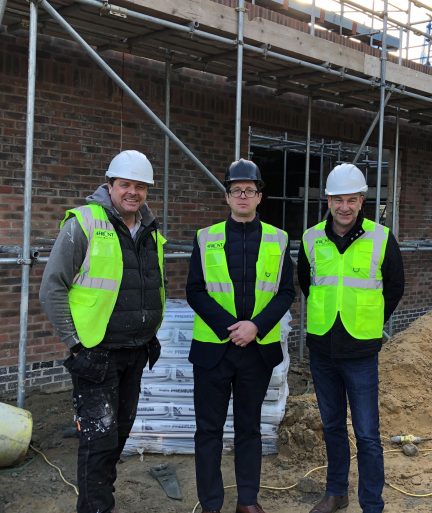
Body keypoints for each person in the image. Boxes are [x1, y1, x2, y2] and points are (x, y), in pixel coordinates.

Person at [39, 150, 166, 513]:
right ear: (109, 185)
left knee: (118, 436)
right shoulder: (85, 223)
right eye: (125, 184)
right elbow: (52, 288)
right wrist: (75, 344)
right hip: (96, 353)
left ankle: (101, 504)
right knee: (98, 440)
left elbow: (151, 287)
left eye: (140, 186)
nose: (133, 192)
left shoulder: (150, 231)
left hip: (136, 350)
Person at [186, 159, 295, 513]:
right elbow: (195, 290)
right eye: (236, 190)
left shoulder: (279, 240)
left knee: (249, 430)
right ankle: (211, 504)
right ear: (227, 196)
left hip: (256, 352)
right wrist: (232, 327)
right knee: (208, 431)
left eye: (250, 190)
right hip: (213, 352)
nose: (243, 196)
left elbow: (285, 293)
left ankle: (248, 501)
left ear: (259, 196)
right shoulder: (206, 237)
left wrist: (256, 326)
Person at [298, 164, 405, 513]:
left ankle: (372, 504)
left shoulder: (381, 237)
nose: (345, 206)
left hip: (361, 350)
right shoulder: (311, 238)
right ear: (328, 201)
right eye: (338, 200)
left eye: (352, 200)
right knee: (331, 427)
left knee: (367, 434)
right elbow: (306, 284)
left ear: (362, 201)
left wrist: (370, 319)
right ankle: (336, 493)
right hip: (322, 349)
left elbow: (394, 287)